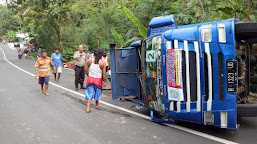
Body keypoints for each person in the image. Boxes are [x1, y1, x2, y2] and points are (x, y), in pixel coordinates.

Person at [85, 48, 107, 113]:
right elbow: (104, 74)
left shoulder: (89, 60)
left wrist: (88, 75)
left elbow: (86, 69)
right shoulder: (102, 63)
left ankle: (88, 107)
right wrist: (105, 81)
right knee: (98, 92)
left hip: (90, 78)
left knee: (89, 93)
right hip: (98, 80)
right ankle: (97, 104)